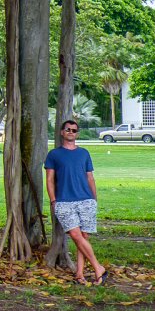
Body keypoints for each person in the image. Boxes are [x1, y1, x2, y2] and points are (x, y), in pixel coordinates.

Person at [45, 119, 108, 286]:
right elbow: (50, 179)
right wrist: (53, 200)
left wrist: (94, 199)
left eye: (74, 130)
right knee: (75, 235)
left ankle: (80, 274)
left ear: (77, 134)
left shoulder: (84, 153)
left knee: (83, 237)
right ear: (61, 132)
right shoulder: (54, 155)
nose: (71, 132)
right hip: (64, 201)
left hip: (86, 200)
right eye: (68, 129)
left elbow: (90, 177)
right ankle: (98, 267)